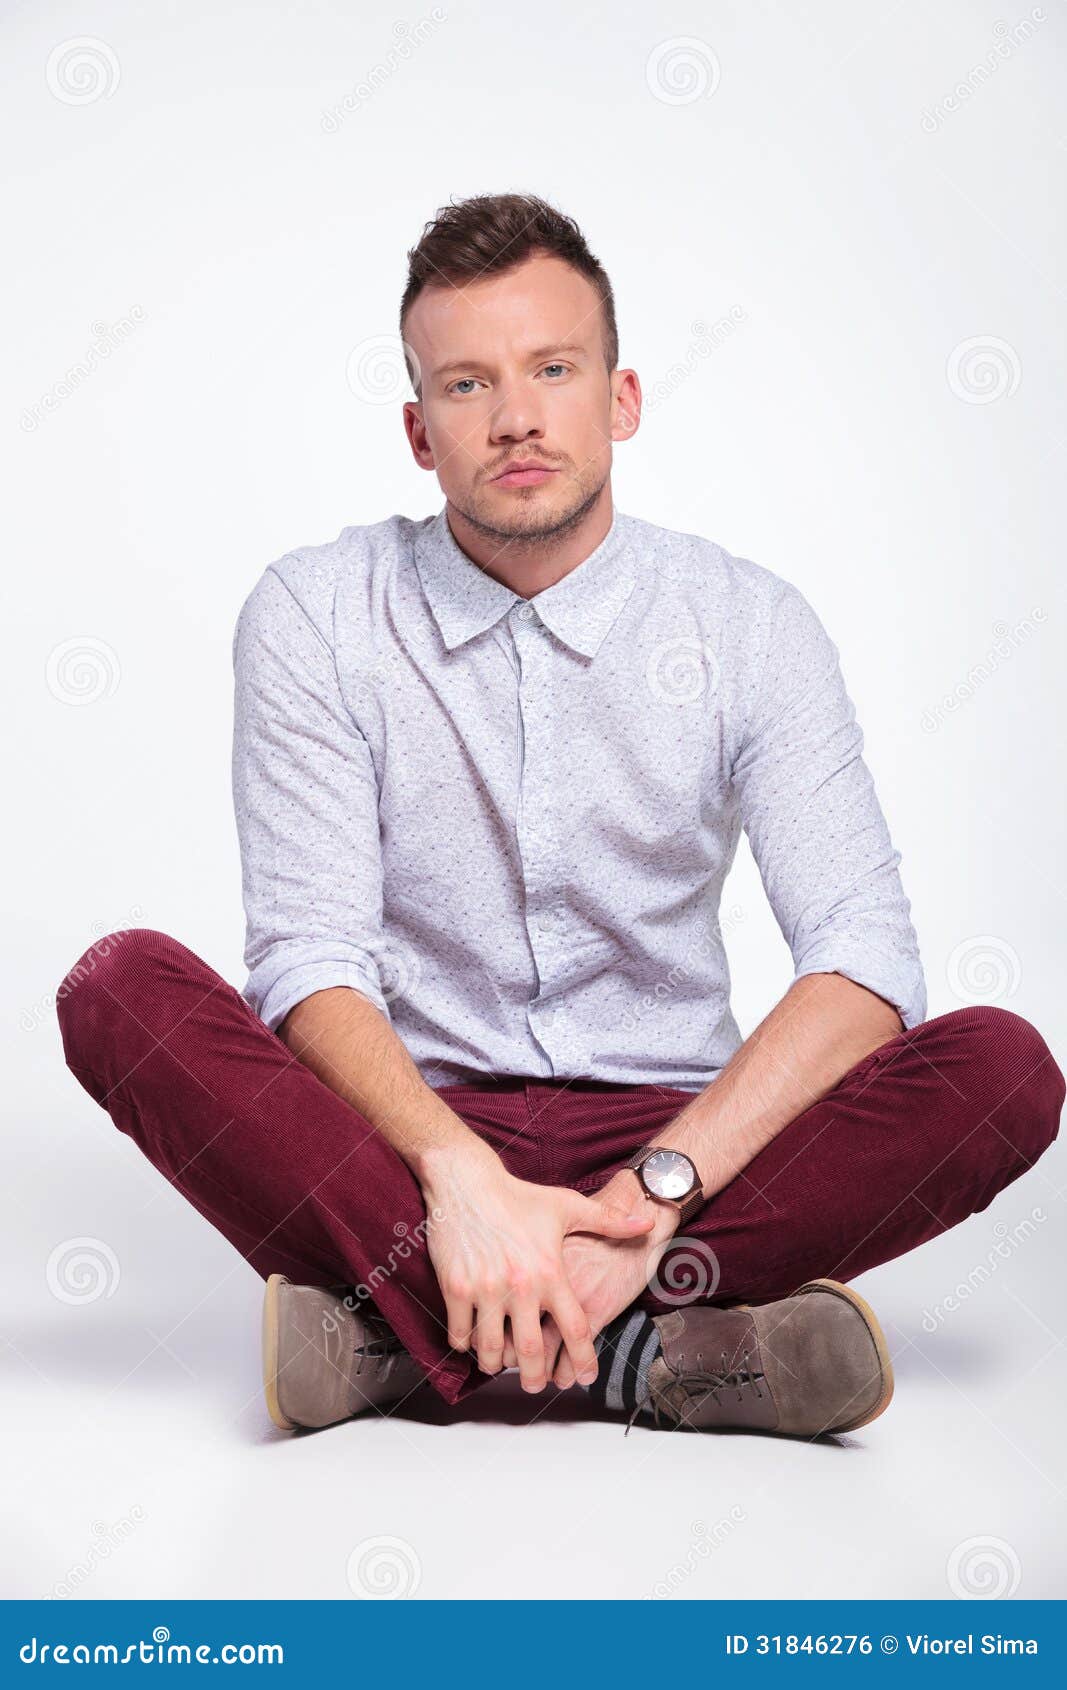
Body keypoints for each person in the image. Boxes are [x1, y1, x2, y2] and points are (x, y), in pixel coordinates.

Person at [56, 192, 1063, 1439]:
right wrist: (456, 1172)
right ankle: (648, 1351)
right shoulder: (315, 614)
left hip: (669, 1127)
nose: (518, 416)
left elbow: (864, 960)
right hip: (414, 1132)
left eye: (551, 368)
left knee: (1000, 1071)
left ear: (620, 398)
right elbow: (309, 957)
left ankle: (395, 1339)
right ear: (420, 434)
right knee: (117, 990)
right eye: (468, 385)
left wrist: (657, 1191)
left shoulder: (749, 625)